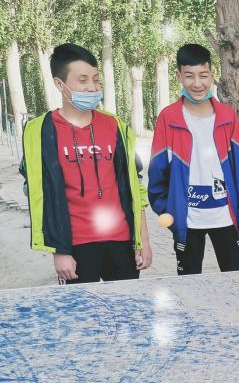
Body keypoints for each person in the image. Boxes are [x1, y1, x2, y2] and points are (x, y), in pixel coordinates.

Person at [19, 43, 152, 284]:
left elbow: (136, 186)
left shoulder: (116, 127)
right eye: (82, 80)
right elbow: (40, 194)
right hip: (76, 246)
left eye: (95, 79)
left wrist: (143, 240)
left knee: (127, 307)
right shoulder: (40, 132)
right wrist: (59, 251)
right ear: (60, 84)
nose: (92, 87)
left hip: (121, 242)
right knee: (83, 309)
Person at [148, 43, 239, 275]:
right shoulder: (168, 118)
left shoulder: (228, 117)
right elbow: (157, 169)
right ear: (179, 76)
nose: (197, 83)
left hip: (225, 217)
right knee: (188, 283)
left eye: (203, 75)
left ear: (212, 74)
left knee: (235, 281)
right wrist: (168, 211)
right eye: (189, 76)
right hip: (187, 221)